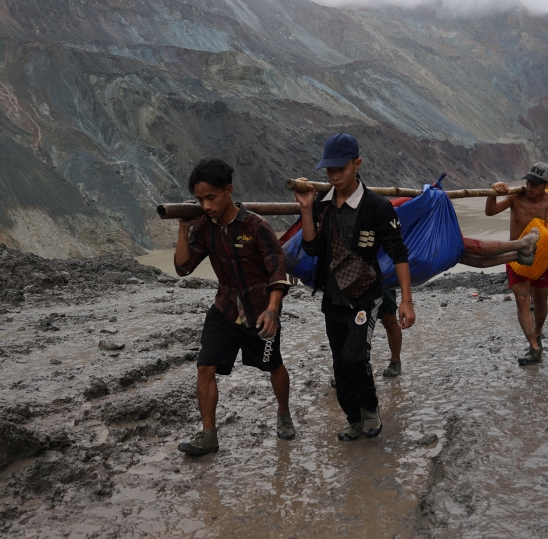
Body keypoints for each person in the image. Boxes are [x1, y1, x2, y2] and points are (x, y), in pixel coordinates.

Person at [293, 133, 416, 442]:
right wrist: (307, 209)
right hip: (333, 298)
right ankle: (353, 419)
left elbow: (399, 254)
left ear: (357, 164)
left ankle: (370, 409)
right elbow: (310, 249)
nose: (334, 176)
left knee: (355, 358)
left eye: (341, 168)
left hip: (365, 297)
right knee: (340, 363)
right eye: (329, 170)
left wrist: (406, 301)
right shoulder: (323, 206)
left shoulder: (377, 207)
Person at [174, 158, 295, 456]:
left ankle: (283, 413)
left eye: (211, 198)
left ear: (228, 191)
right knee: (205, 366)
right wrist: (182, 228)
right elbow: (183, 267)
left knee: (274, 365)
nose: (206, 206)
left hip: (260, 313)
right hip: (225, 309)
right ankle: (208, 435)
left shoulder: (257, 227)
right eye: (200, 199)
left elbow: (278, 271)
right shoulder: (205, 228)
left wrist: (273, 309)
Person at [486, 162, 548, 365]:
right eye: (528, 181)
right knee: (522, 299)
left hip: (540, 258)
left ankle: (537, 333)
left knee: (541, 301)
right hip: (515, 254)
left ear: (547, 184)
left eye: (535, 183)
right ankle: (534, 348)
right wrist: (492, 193)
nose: (529, 186)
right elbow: (490, 212)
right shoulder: (516, 197)